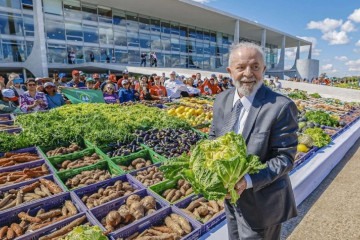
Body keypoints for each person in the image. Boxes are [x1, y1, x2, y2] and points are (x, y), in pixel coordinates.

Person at [209, 42, 298, 240]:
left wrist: (247, 180)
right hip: (231, 200)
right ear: (230, 71)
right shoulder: (221, 100)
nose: (248, 73)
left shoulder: (281, 107)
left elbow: (284, 158)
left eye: (255, 67)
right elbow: (213, 139)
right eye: (241, 67)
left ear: (264, 70)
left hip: (263, 205)